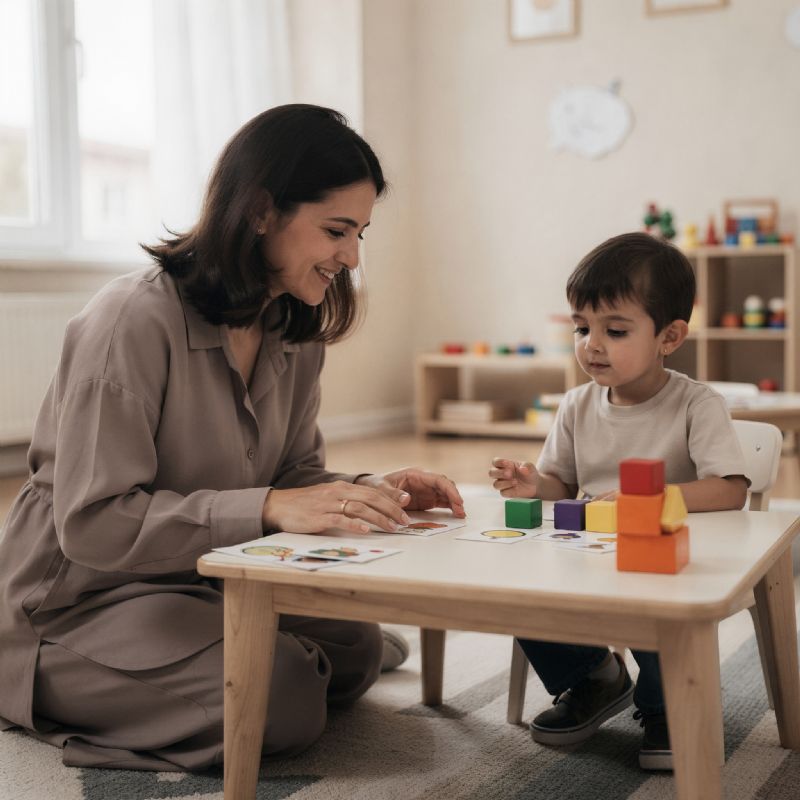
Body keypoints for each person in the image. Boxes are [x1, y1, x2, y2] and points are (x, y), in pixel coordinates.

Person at [0, 104, 465, 772]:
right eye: (336, 231)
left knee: (358, 650)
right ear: (260, 211)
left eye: (360, 233)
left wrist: (369, 491)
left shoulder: (293, 327)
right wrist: (268, 506)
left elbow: (294, 472)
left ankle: (261, 663)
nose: (352, 257)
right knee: (279, 696)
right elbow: (93, 524)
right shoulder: (130, 321)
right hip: (79, 600)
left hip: (198, 578)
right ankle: (37, 680)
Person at [489, 232, 747, 771]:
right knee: (517, 584)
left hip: (664, 558)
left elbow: (730, 488)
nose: (592, 344)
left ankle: (665, 708)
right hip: (590, 549)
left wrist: (651, 497)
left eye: (615, 330)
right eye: (582, 328)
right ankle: (595, 677)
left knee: (654, 602)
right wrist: (533, 484)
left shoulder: (697, 404)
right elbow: (562, 484)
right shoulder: (576, 404)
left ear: (669, 337)